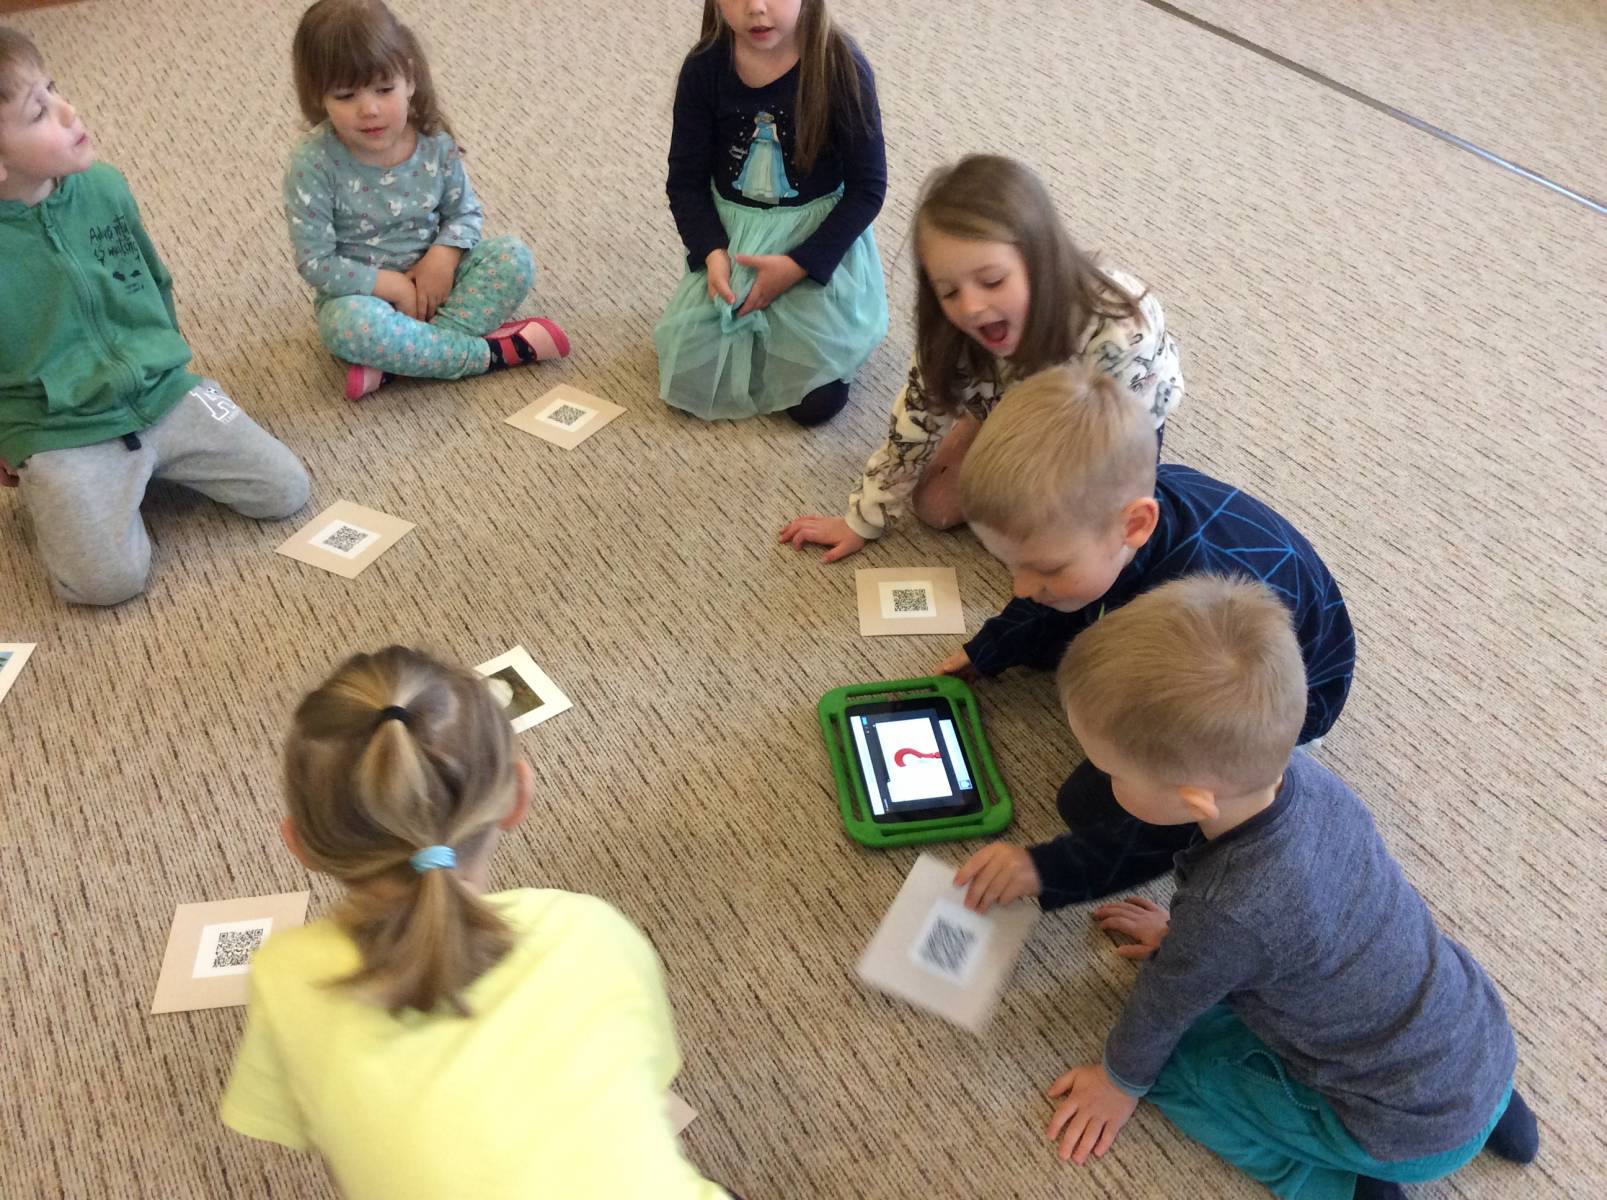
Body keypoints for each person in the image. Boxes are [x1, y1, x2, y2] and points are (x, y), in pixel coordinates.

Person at [999, 576, 1539, 1200]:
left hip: (1398, 1128)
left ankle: (1339, 1186)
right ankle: (1497, 1113)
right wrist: (1187, 941)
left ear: (1195, 799)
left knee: (1179, 1068)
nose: (1102, 781)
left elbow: (1161, 1010)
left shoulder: (1226, 912)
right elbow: (1293, 926)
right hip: (1480, 1044)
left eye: (1111, 770)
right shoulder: (1311, 783)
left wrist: (1117, 1084)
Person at [221, 646, 733, 1200]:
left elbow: (300, 1120)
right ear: (519, 795)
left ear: (300, 844)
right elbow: (649, 1069)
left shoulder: (286, 975)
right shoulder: (588, 927)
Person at [948, 365, 1352, 910]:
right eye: (1011, 565)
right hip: (1216, 619)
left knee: (1094, 803)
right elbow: (1051, 600)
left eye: (1044, 568)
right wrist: (991, 649)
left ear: (1135, 526)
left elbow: (1183, 801)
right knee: (1062, 612)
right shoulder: (1119, 513)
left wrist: (1044, 869)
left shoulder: (1195, 640)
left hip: (1281, 696)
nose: (1020, 587)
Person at [0, 27, 308, 606]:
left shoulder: (105, 187)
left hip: (163, 390)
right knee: (107, 585)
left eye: (54, 88)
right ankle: (72, 490)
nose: (68, 111)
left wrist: (166, 361)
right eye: (38, 111)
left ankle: (139, 470)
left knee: (286, 489)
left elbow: (154, 279)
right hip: (59, 428)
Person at [779, 154, 1181, 560]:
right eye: (950, 292)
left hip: (1101, 428)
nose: (970, 307)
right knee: (934, 507)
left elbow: (1116, 452)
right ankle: (982, 416)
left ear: (1040, 259)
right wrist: (861, 520)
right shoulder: (951, 332)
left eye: (992, 280)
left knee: (1075, 547)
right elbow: (914, 424)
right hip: (1011, 402)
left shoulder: (1120, 330)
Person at [285, 0, 568, 402]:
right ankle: (488, 354)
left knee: (513, 258)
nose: (370, 109)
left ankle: (402, 360)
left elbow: (465, 214)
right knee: (345, 326)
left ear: (410, 78)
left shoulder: (434, 142)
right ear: (319, 97)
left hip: (442, 286)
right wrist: (394, 287)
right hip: (366, 301)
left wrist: (444, 256)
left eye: (385, 89)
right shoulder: (313, 162)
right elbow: (316, 261)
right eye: (346, 96)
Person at [654, 0, 888, 425]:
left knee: (813, 405)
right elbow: (685, 182)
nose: (756, 8)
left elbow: (868, 189)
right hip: (735, 247)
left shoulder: (841, 66)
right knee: (691, 383)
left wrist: (798, 266)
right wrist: (712, 253)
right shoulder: (704, 68)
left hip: (812, 249)